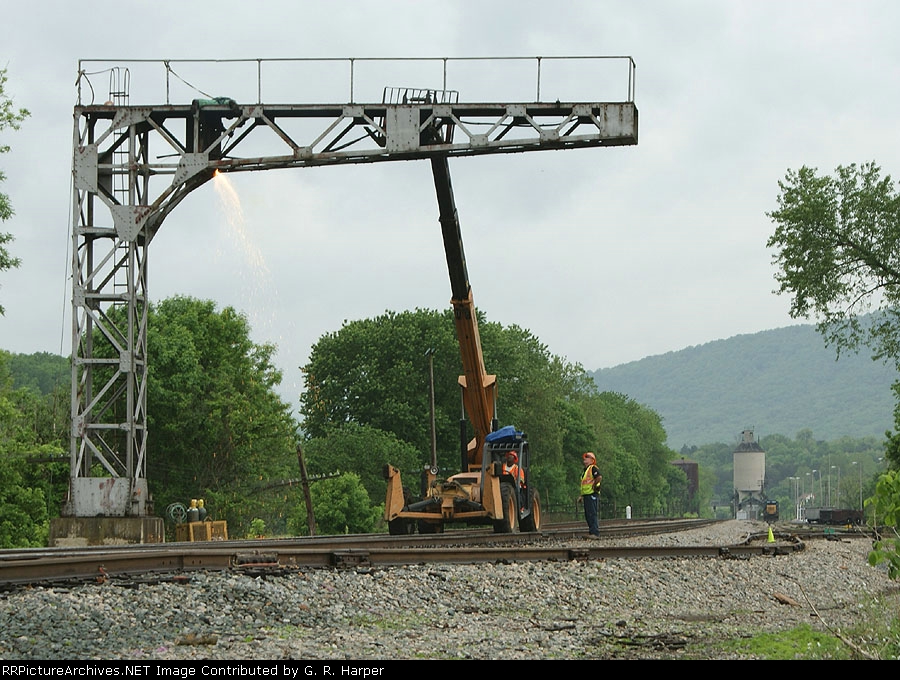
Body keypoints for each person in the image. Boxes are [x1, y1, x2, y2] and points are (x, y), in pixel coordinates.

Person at [578, 451, 602, 537]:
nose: (585, 459)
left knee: (592, 513)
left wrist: (594, 486)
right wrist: (581, 496)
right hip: (587, 495)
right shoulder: (585, 471)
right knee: (588, 514)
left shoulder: (593, 468)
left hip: (592, 494)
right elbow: (584, 484)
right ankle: (591, 532)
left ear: (592, 460)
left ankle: (594, 533)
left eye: (587, 458)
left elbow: (599, 477)